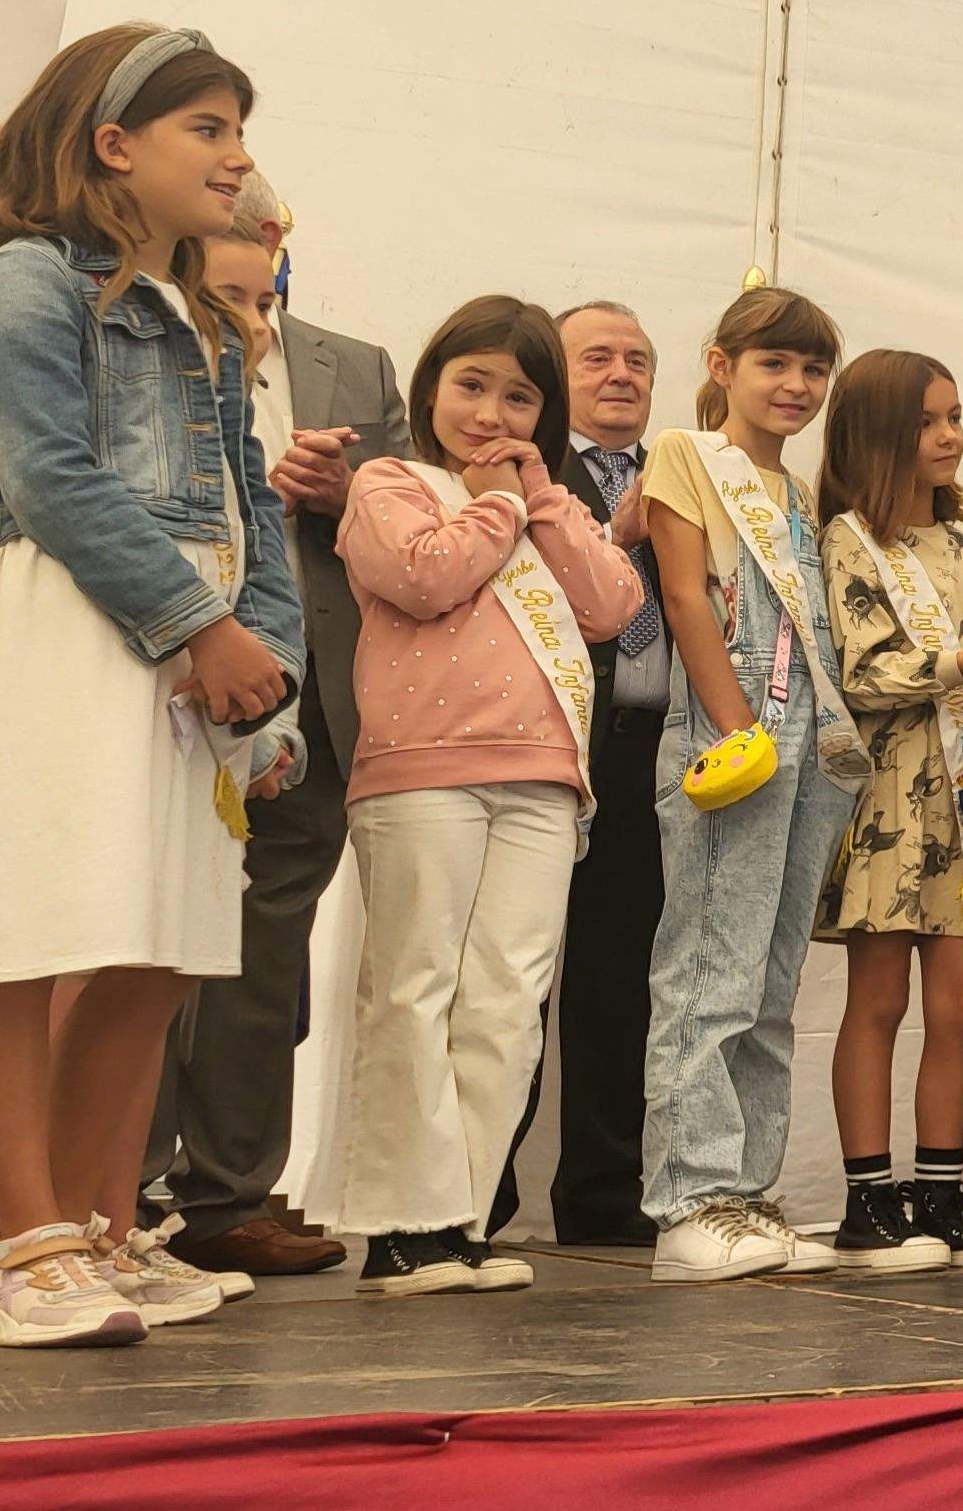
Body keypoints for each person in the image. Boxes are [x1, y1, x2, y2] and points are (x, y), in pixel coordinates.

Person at [0, 24, 300, 1347]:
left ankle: (102, 1227)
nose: (236, 160)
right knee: (28, 932)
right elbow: (50, 474)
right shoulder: (23, 280)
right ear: (114, 144)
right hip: (72, 624)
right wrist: (194, 625)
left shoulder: (211, 315)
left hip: (197, 648)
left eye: (238, 130)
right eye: (208, 130)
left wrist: (268, 662)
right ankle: (21, 1242)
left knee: (153, 944)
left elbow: (256, 506)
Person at [324, 297, 643, 1296]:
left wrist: (540, 497)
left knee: (507, 1000)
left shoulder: (548, 506)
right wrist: (497, 502)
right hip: (424, 773)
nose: (492, 412)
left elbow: (614, 605)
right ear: (430, 387)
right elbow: (425, 576)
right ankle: (398, 1227)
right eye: (472, 385)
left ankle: (459, 1221)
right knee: (416, 992)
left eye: (518, 396)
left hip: (545, 784)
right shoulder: (392, 482)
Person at [148, 172, 407, 1281]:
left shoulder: (358, 365)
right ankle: (114, 1186)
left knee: (266, 956)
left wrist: (343, 493)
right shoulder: (137, 338)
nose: (256, 240)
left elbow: (412, 512)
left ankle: (227, 1194)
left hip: (317, 698)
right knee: (141, 936)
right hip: (163, 675)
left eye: (272, 230)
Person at [638, 282, 862, 1283]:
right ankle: (688, 1198)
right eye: (775, 363)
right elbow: (686, 596)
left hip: (810, 741)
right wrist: (737, 731)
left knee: (772, 980)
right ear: (722, 365)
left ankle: (749, 1195)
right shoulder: (688, 457)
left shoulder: (804, 496)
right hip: (734, 731)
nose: (798, 384)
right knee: (708, 969)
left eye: (814, 368)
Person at [815, 350, 963, 1277]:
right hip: (881, 802)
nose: (950, 437)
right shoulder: (845, 540)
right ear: (878, 434)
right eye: (927, 422)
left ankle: (942, 1192)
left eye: (955, 417)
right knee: (877, 1000)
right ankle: (868, 1199)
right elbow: (865, 674)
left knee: (961, 1006)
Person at [494, 300, 676, 1246]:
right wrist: (613, 533)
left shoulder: (686, 481)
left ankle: (605, 1198)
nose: (621, 374)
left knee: (621, 981)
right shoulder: (519, 471)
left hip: (652, 751)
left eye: (638, 360)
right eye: (597, 357)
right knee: (510, 974)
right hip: (542, 742)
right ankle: (473, 1199)